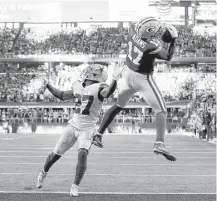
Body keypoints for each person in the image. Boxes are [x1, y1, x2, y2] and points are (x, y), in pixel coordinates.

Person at [93, 17, 178, 161]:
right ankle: (159, 143)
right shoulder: (153, 46)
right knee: (161, 110)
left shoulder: (132, 31)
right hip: (142, 79)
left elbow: (138, 25)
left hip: (127, 75)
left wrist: (150, 26)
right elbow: (168, 56)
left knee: (118, 105)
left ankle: (98, 134)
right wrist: (173, 38)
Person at [36, 63, 123, 196]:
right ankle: (43, 173)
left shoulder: (100, 87)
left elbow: (108, 92)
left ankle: (75, 186)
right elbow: (62, 95)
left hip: (87, 129)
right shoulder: (79, 87)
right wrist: (47, 84)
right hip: (73, 126)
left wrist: (115, 79)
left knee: (82, 153)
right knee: (55, 155)